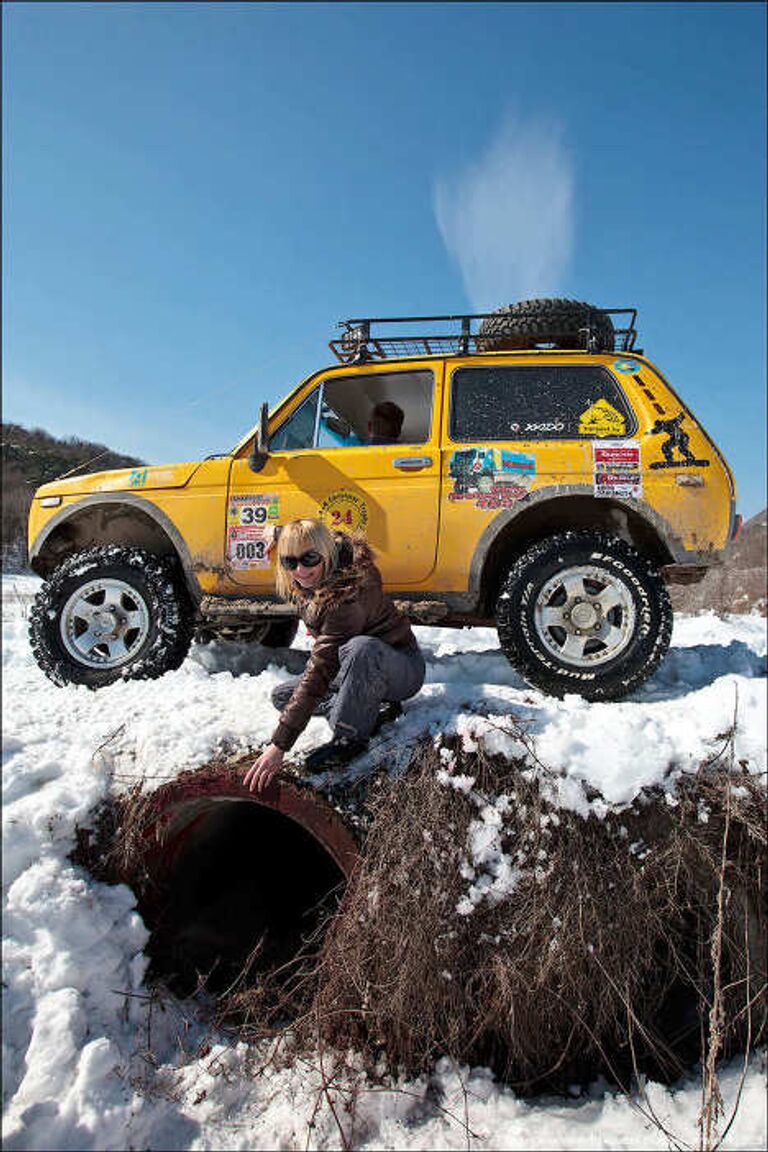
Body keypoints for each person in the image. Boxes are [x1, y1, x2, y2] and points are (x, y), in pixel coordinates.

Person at [244, 518, 425, 793]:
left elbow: (321, 668)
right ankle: (372, 708)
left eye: (309, 559)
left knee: (361, 647)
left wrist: (279, 745)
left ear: (326, 553)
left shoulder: (347, 597)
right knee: (282, 696)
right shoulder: (318, 569)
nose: (300, 570)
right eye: (290, 562)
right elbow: (308, 539)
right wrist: (278, 533)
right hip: (355, 668)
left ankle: (349, 738)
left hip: (400, 667)